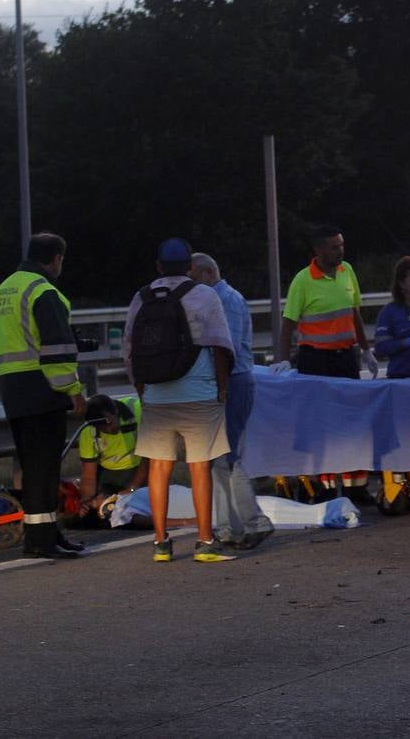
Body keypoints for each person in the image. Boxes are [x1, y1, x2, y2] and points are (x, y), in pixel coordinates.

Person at [124, 238, 237, 563]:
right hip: (198, 394)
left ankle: (160, 543)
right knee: (199, 467)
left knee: (160, 467)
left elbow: (130, 350)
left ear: (158, 266)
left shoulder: (142, 297)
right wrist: (221, 388)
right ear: (189, 266)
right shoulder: (205, 295)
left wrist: (142, 390)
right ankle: (205, 542)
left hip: (157, 395)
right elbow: (221, 346)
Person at [0, 232, 88, 558]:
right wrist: (74, 390)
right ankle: (41, 541)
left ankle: (46, 534)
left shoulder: (4, 289)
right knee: (44, 469)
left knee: (33, 467)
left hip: (12, 390)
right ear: (56, 258)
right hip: (42, 389)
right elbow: (57, 351)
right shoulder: (44, 291)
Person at [271, 224, 376, 501]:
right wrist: (284, 361)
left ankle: (356, 486)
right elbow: (287, 325)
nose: (340, 251)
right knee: (321, 425)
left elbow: (354, 313)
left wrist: (366, 350)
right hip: (316, 360)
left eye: (341, 245)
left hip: (346, 358)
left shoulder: (347, 271)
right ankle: (324, 487)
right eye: (334, 247)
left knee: (352, 422)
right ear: (318, 250)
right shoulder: (303, 281)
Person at [189, 252, 275, 550]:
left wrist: (216, 385)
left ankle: (253, 523)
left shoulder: (223, 301)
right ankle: (230, 528)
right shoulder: (226, 298)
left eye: (192, 278)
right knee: (220, 458)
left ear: (206, 274)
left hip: (231, 382)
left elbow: (227, 350)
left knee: (227, 456)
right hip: (234, 381)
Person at [76, 394, 148, 523]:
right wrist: (86, 502)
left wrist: (132, 488)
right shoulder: (88, 432)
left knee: (140, 511)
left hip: (141, 471)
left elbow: (149, 458)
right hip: (108, 476)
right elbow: (88, 475)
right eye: (101, 426)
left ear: (116, 411)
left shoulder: (138, 411)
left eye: (109, 422)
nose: (108, 429)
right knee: (100, 511)